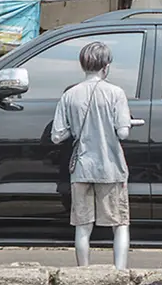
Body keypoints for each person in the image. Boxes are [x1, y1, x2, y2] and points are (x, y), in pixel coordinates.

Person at [51, 41, 132, 270]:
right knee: (120, 224)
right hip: (110, 167)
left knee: (82, 226)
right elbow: (123, 133)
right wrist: (126, 122)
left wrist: (77, 128)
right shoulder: (116, 93)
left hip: (81, 168)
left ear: (83, 65)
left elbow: (57, 136)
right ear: (106, 66)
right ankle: (119, 272)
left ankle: (83, 273)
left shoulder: (70, 95)